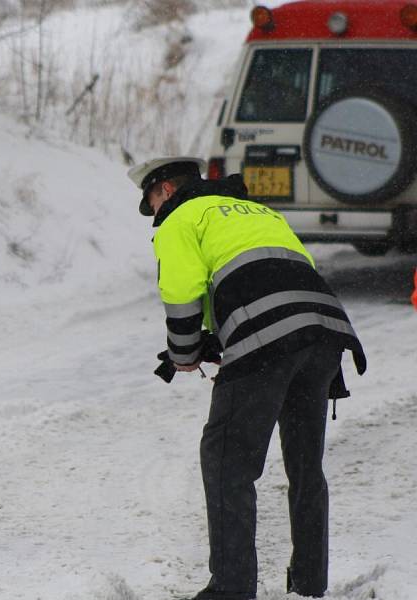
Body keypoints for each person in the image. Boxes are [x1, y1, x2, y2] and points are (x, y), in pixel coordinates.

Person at [127, 157, 366, 600]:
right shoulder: (257, 212)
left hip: (269, 338)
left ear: (162, 190)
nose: (155, 213)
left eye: (151, 202)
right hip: (325, 330)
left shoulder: (181, 217)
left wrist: (184, 354)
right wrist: (223, 336)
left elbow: (181, 292)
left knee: (226, 460)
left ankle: (231, 589)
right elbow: (268, 275)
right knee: (305, 466)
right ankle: (309, 583)